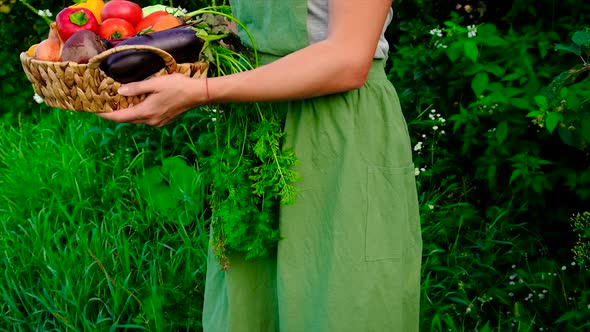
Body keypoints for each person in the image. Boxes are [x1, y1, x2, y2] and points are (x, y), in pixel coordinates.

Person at [98, 0, 422, 331]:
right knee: (251, 305)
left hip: (336, 132)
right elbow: (256, 30)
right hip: (258, 130)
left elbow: (348, 58)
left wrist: (203, 91)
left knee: (342, 300)